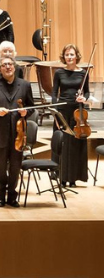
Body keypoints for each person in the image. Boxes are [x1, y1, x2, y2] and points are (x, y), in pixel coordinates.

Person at [0, 57, 36, 207]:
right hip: (0, 132)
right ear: (0, 69)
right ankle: (0, 195)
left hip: (18, 134)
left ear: (14, 67)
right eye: (4, 65)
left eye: (10, 64)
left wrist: (27, 112)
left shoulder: (24, 85)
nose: (7, 67)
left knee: (15, 166)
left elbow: (32, 106)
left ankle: (12, 195)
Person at [52, 44, 89, 187]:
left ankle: (73, 177)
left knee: (75, 145)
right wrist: (55, 112)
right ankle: (61, 176)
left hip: (78, 113)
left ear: (76, 56)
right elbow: (54, 93)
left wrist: (84, 98)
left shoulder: (83, 73)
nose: (69, 57)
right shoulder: (59, 73)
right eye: (67, 54)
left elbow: (86, 92)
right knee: (63, 143)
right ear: (64, 57)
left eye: (72, 54)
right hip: (62, 110)